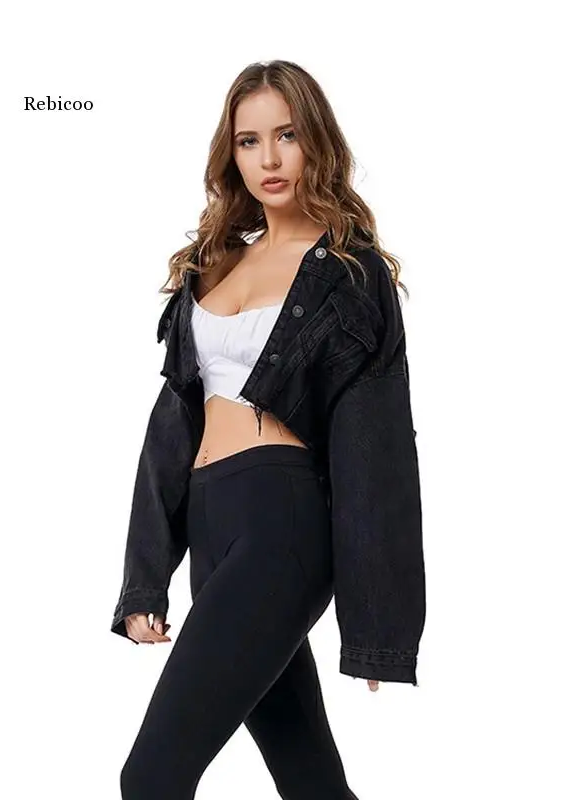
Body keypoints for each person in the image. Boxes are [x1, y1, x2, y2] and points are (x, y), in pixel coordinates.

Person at [112, 60, 426, 800]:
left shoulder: (348, 274)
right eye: (249, 141)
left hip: (281, 528)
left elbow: (377, 449)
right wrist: (144, 579)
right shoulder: (212, 265)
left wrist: (378, 625)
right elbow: (170, 432)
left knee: (150, 777)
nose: (270, 158)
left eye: (287, 135)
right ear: (232, 154)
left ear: (316, 141)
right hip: (212, 529)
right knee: (311, 783)